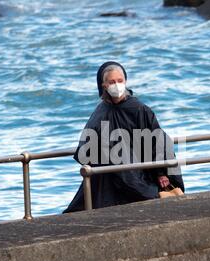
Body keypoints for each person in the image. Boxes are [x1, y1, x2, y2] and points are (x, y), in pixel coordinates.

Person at [63, 61, 184, 213]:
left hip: (142, 170)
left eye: (120, 81)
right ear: (104, 85)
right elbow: (86, 149)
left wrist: (161, 172)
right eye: (112, 82)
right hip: (110, 173)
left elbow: (157, 140)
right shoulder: (100, 113)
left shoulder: (139, 109)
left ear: (125, 82)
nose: (117, 85)